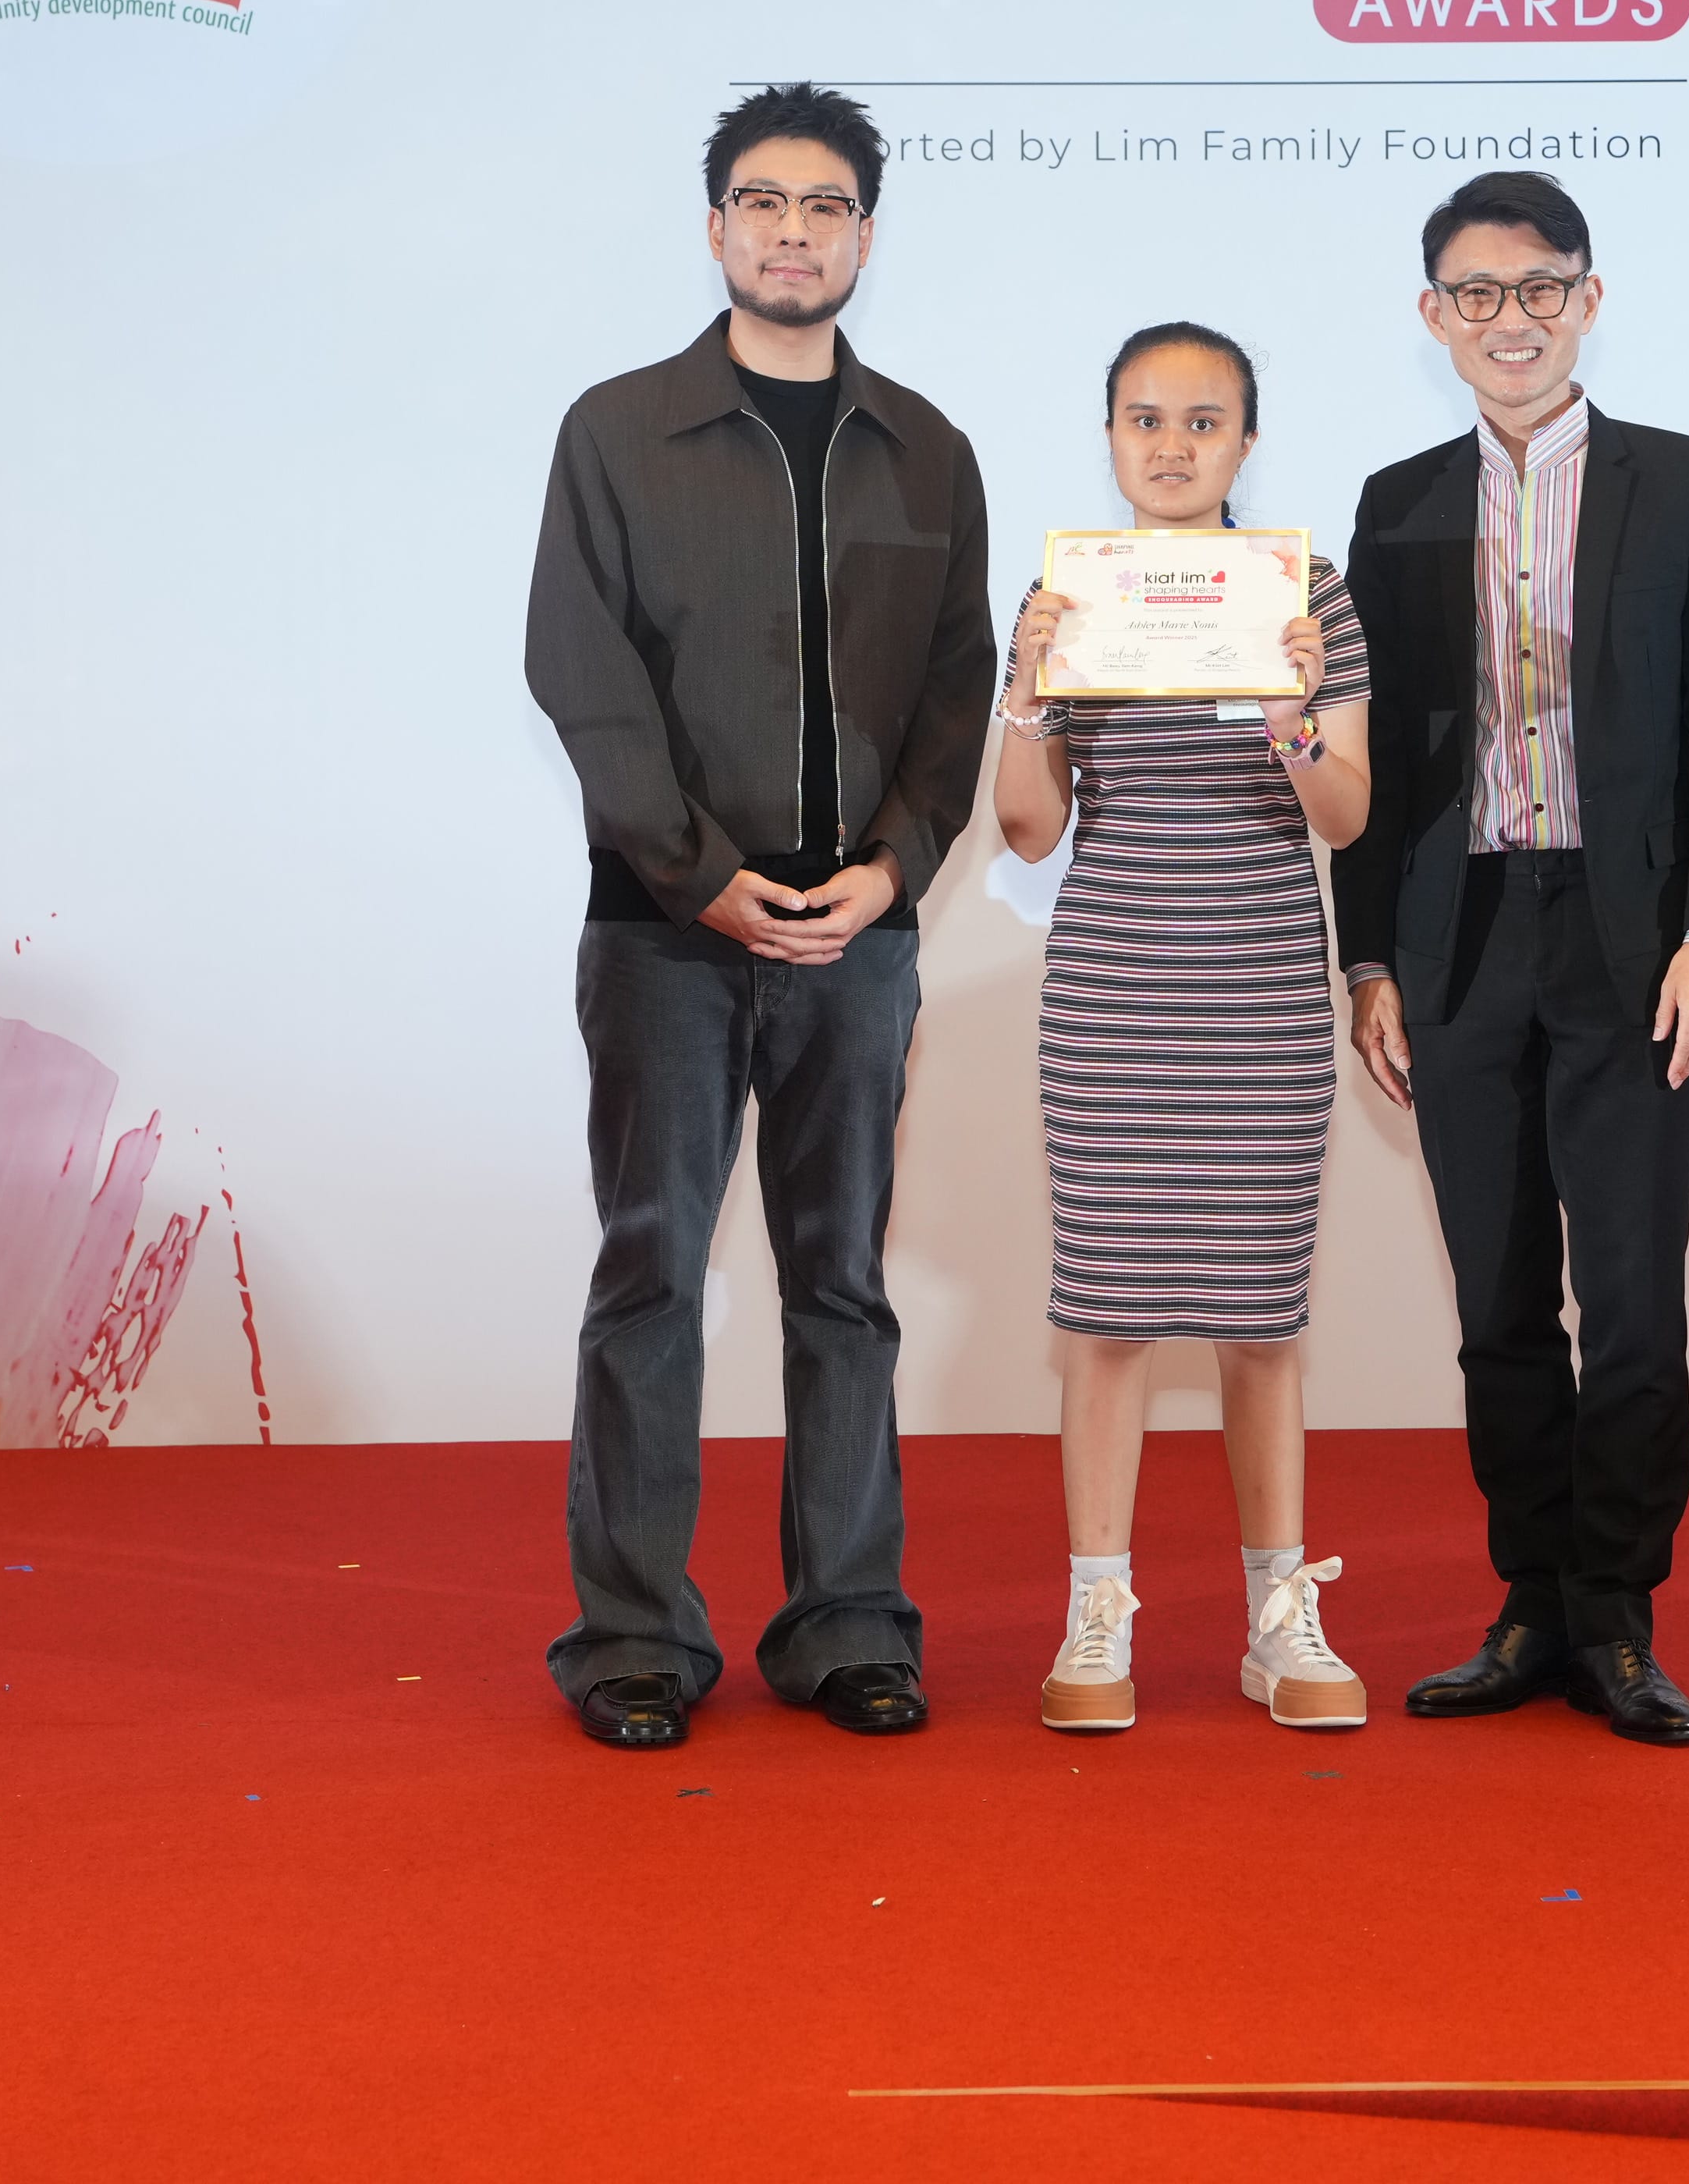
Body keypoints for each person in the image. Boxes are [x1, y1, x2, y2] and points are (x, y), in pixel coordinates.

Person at [522, 83, 995, 1751]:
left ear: (868, 231)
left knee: (840, 1283)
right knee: (652, 1277)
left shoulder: (928, 447)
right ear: (716, 225)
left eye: (827, 205)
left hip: (857, 938)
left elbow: (959, 683)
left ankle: (849, 1621)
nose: (794, 231)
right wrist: (698, 872)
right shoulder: (619, 430)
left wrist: (901, 862)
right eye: (762, 201)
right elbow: (581, 678)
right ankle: (636, 1637)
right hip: (664, 933)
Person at [1332, 171, 1689, 1748]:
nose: (1506, 320)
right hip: (1457, 943)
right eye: (1475, 294)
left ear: (1589, 298)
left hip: (1630, 939)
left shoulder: (1686, 483)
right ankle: (1530, 1602)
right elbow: (1370, 751)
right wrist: (1368, 959)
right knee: (1500, 1302)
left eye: (1537, 290)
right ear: (1433, 315)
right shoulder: (1394, 504)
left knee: (1636, 1298)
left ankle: (1619, 1613)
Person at [993, 325, 1377, 1732]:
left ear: (1247, 441)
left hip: (1261, 987)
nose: (1171, 446)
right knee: (1104, 1319)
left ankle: (1280, 1619)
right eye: (1144, 419)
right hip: (1113, 990)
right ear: (1107, 435)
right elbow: (1029, 831)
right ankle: (1097, 1612)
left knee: (1260, 1319)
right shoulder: (1066, 596)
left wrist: (1290, 715)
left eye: (1203, 421)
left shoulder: (1306, 594)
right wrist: (1030, 690)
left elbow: (1344, 815)